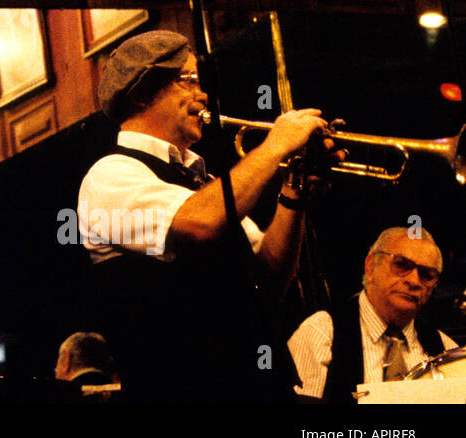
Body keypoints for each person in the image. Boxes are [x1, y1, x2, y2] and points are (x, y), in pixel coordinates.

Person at [76, 30, 336, 401]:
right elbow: (201, 223)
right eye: (189, 80)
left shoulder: (205, 182)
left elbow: (269, 280)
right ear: (143, 90)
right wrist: (276, 144)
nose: (203, 95)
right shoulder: (111, 175)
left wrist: (294, 193)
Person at [288, 226, 457, 401]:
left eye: (426, 275)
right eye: (401, 265)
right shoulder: (321, 334)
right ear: (370, 266)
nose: (414, 281)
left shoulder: (445, 349)